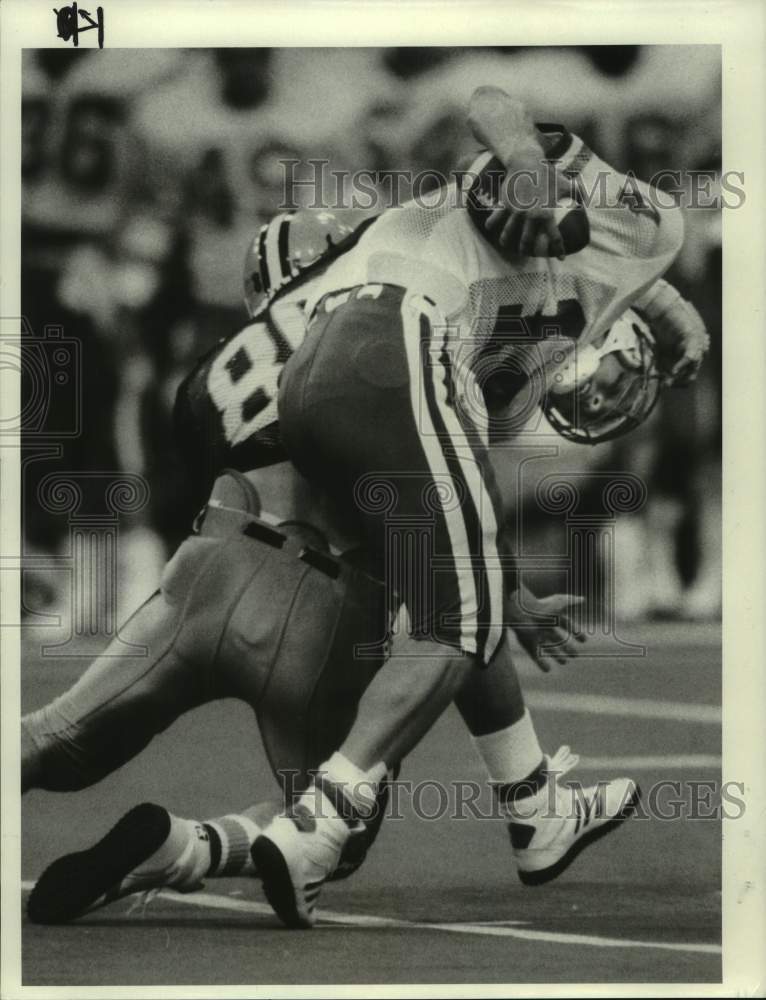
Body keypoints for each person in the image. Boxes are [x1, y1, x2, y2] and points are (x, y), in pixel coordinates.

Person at [25, 205, 667, 925]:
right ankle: (192, 846)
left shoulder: (216, 371)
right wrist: (507, 592)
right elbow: (438, 535)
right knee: (344, 817)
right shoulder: (382, 323)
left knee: (52, 740)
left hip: (206, 575)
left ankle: (181, 847)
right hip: (323, 613)